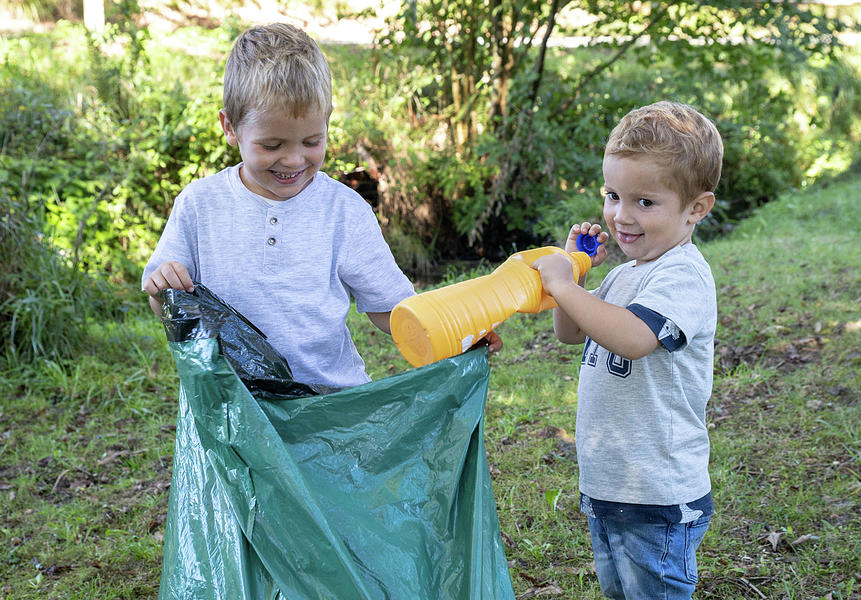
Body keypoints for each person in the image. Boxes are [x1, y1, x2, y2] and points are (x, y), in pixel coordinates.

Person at [142, 23, 498, 389]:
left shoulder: (344, 212)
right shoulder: (200, 206)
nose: (294, 160)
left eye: (312, 141)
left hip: (329, 410)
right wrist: (163, 285)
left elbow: (391, 309)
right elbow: (167, 305)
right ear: (230, 128)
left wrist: (453, 336)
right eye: (272, 145)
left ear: (327, 122)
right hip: (235, 410)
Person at [531, 101, 722, 599]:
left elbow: (634, 339)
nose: (621, 215)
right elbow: (571, 334)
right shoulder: (625, 274)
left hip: (656, 491)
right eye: (613, 195)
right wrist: (574, 276)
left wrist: (563, 287)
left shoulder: (682, 275)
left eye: (645, 202)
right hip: (612, 483)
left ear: (696, 208)